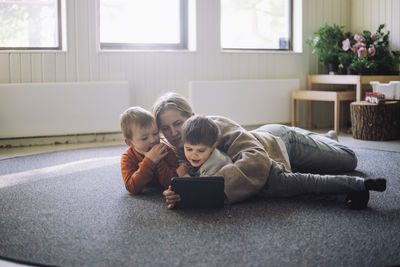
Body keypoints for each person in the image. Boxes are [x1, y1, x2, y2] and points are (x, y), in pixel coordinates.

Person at [152, 92, 387, 210]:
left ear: (191, 117)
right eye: (165, 128)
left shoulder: (215, 127)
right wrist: (178, 194)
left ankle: (328, 137)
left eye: (178, 124)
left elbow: (254, 158)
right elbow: (173, 181)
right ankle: (321, 139)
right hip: (269, 150)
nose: (173, 132)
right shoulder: (173, 151)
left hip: (280, 142)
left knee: (349, 159)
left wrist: (208, 188)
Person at [119, 106, 179, 195]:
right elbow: (132, 188)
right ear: (129, 143)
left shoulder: (166, 151)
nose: (153, 140)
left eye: (155, 133)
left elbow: (172, 183)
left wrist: (159, 162)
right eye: (144, 138)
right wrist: (150, 161)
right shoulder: (127, 158)